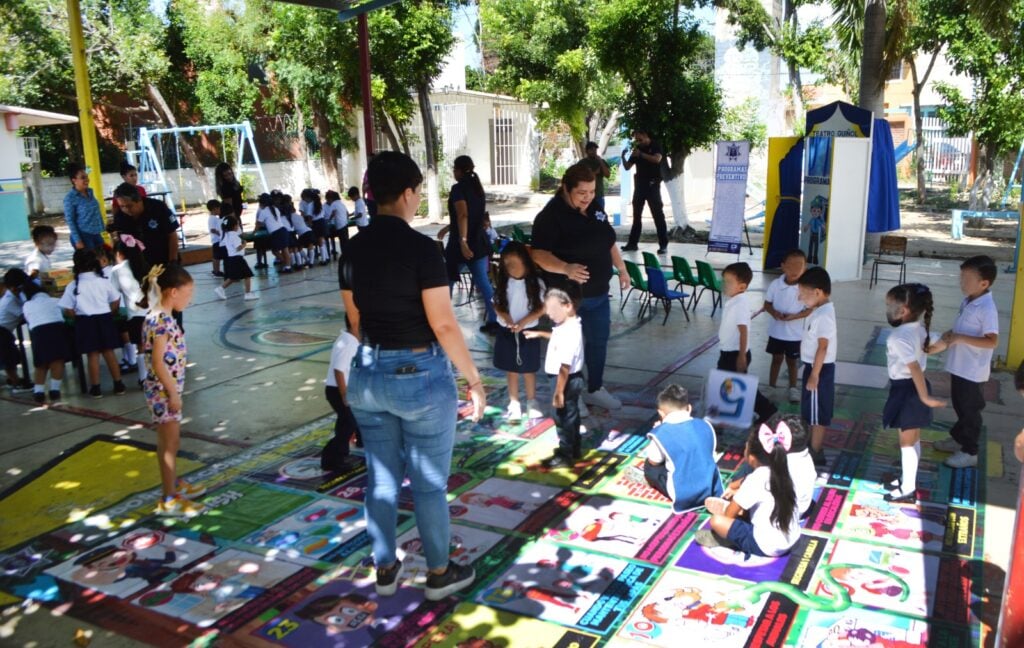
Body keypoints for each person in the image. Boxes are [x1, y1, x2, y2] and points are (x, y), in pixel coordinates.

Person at [339, 151, 485, 601]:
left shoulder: (353, 246)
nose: (418, 199)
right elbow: (443, 324)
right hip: (418, 375)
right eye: (418, 191)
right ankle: (439, 574)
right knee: (427, 484)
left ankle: (385, 569)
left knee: (381, 479)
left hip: (367, 371)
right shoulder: (422, 249)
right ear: (406, 193)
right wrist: (474, 380)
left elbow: (354, 319)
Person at [530, 163, 630, 412]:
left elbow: (608, 241)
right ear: (566, 188)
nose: (587, 197)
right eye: (581, 193)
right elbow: (537, 254)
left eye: (592, 191)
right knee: (570, 348)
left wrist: (622, 268)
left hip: (598, 294)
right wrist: (565, 268)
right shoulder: (550, 217)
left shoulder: (594, 208)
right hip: (566, 298)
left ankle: (595, 389)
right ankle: (571, 396)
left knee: (598, 343)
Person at [139, 264, 206, 517]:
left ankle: (173, 482)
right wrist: (173, 394)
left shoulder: (162, 317)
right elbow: (157, 362)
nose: (190, 299)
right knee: (170, 443)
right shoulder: (160, 321)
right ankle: (168, 498)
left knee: (169, 441)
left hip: (167, 389)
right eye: (188, 294)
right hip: (164, 392)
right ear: (172, 292)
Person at [928, 255, 999, 469]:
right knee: (961, 406)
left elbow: (992, 341)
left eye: (966, 279)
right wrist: (945, 340)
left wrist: (959, 338)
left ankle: (970, 451)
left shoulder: (987, 308)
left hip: (972, 370)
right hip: (959, 366)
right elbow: (959, 331)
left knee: (970, 411)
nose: (961, 283)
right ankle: (958, 440)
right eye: (961, 278)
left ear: (983, 283)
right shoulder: (968, 300)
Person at [880, 283, 946, 502]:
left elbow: (914, 368)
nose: (887, 308)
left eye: (890, 305)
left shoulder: (897, 337)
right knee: (913, 438)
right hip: (914, 388)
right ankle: (908, 479)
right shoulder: (919, 328)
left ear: (904, 310)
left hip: (908, 390)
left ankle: (908, 489)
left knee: (906, 442)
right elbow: (938, 344)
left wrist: (924, 397)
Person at [699, 420, 800, 557]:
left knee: (717, 521)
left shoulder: (756, 478)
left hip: (768, 546)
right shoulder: (784, 470)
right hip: (791, 539)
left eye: (745, 447)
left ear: (751, 458)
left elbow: (730, 515)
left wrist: (726, 512)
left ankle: (729, 541)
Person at [524, 287, 585, 468]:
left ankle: (565, 454)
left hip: (564, 380)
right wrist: (540, 333)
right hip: (569, 378)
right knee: (571, 414)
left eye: (553, 310)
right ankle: (574, 448)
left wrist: (558, 392)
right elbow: (557, 337)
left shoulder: (569, 331)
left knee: (561, 416)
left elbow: (565, 366)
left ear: (567, 306)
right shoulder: (568, 325)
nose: (549, 315)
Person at [643, 384, 724, 513]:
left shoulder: (660, 433)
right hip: (709, 487)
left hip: (683, 495)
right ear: (689, 408)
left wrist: (657, 431)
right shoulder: (705, 425)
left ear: (660, 412)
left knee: (649, 467)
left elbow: (654, 462)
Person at [58, 248, 126, 398]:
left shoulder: (73, 285)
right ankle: (118, 384)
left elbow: (67, 308)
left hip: (85, 321)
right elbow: (116, 300)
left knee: (92, 355)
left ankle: (96, 388)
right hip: (105, 318)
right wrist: (111, 311)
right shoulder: (103, 281)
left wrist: (76, 317)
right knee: (109, 352)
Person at [717, 262, 778, 425]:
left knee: (734, 386)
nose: (725, 285)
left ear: (742, 286)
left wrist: (742, 356)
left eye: (729, 282)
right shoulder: (734, 300)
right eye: (724, 281)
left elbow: (744, 330)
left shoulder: (740, 303)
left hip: (735, 354)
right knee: (732, 385)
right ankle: (727, 415)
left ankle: (766, 409)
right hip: (728, 352)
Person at [724, 413, 817, 518]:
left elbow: (729, 514)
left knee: (749, 465)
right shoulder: (805, 456)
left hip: (775, 515)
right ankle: (737, 495)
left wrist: (734, 488)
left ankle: (738, 504)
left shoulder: (765, 473)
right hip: (799, 511)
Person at [492, 241, 546, 420]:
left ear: (525, 263)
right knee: (511, 370)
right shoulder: (504, 283)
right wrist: (507, 319)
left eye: (514, 265)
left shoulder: (536, 283)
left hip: (528, 332)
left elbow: (542, 308)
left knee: (529, 369)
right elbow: (497, 305)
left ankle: (532, 401)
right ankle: (513, 402)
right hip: (506, 332)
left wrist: (524, 322)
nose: (510, 269)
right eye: (507, 265)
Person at [445, 155, 498, 333]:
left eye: (454, 169)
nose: (453, 172)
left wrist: (463, 241)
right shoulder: (477, 188)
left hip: (462, 243)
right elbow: (468, 216)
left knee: (448, 282)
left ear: (459, 170)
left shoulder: (458, 188)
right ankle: (494, 320)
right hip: (479, 242)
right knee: (484, 283)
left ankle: (443, 322)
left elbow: (463, 215)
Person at [797, 266, 837, 469]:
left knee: (817, 414)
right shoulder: (820, 310)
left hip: (818, 370)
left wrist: (814, 375)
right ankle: (813, 447)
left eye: (803, 294)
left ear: (818, 292)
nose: (799, 298)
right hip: (816, 369)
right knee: (813, 411)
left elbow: (823, 347)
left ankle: (814, 452)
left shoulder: (824, 316)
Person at [14, 274, 70, 404]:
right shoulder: (55, 301)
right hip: (56, 330)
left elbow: (28, 320)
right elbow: (65, 312)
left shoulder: (27, 305)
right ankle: (54, 390)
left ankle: (38, 391)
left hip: (39, 333)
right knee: (57, 361)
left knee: (41, 364)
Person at [764, 249, 810, 403]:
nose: (795, 270)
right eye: (791, 266)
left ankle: (793, 388)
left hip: (795, 334)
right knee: (776, 359)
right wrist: (774, 313)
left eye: (800, 266)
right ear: (782, 266)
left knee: (792, 361)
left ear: (805, 267)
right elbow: (767, 304)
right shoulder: (775, 285)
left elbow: (809, 310)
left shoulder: (805, 287)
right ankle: (771, 386)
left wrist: (794, 316)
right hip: (776, 332)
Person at [322, 318, 362, 472]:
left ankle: (353, 445)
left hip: (339, 388)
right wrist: (344, 394)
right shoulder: (349, 343)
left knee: (348, 421)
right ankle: (331, 459)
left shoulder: (348, 338)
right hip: (338, 389)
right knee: (348, 423)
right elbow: (339, 370)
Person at [621, 129, 668, 254]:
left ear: (645, 135)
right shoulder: (637, 149)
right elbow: (627, 167)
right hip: (640, 186)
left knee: (657, 215)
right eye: (636, 140)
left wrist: (641, 155)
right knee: (636, 216)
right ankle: (632, 244)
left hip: (652, 185)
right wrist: (623, 157)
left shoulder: (655, 145)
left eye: (639, 138)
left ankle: (663, 244)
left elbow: (657, 159)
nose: (638, 141)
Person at [111, 183, 179, 268]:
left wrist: (173, 262)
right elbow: (120, 244)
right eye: (122, 206)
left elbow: (172, 235)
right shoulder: (120, 217)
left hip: (164, 260)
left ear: (139, 200)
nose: (126, 209)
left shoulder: (158, 208)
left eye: (129, 206)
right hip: (138, 265)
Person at [111, 236, 151, 377]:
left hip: (135, 315)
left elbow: (114, 298)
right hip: (153, 312)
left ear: (119, 254)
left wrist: (112, 312)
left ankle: (142, 378)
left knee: (141, 348)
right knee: (155, 346)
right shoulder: (146, 265)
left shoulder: (117, 270)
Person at [214, 216, 258, 301]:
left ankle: (220, 288)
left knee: (233, 277)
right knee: (247, 275)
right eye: (238, 224)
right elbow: (238, 248)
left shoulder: (226, 234)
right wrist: (244, 244)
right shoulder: (234, 235)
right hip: (238, 258)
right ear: (234, 226)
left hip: (232, 258)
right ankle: (248, 294)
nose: (238, 226)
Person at [63, 163, 106, 250]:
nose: (87, 179)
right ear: (74, 180)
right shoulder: (70, 198)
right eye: (83, 177)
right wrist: (77, 240)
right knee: (91, 262)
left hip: (96, 234)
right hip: (83, 236)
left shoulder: (90, 193)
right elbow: (70, 220)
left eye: (86, 177)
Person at [0, 270, 31, 392]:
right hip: (2, 331)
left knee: (11, 355)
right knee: (9, 358)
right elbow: (25, 315)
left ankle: (13, 379)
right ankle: (16, 383)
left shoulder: (12, 295)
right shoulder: (9, 301)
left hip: (5, 330)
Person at [255, 193, 291, 273]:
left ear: (262, 203)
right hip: (282, 230)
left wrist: (254, 232)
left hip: (276, 233)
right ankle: (288, 266)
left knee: (275, 251)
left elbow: (258, 224)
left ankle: (286, 264)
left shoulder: (263, 211)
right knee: (285, 250)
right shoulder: (274, 208)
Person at [579, 142, 611, 212]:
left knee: (599, 218)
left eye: (595, 150)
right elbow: (579, 177)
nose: (594, 152)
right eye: (591, 150)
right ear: (586, 151)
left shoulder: (601, 161)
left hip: (598, 194)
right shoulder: (582, 163)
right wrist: (595, 172)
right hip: (585, 195)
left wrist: (600, 161)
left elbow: (607, 175)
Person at [324, 190, 349, 258]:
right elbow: (347, 213)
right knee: (346, 240)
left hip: (340, 225)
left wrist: (329, 219)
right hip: (345, 224)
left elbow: (333, 213)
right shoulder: (341, 203)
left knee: (342, 241)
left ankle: (344, 255)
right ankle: (347, 254)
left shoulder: (334, 204)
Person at [803, 196, 827, 265]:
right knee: (810, 247)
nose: (816, 213)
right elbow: (809, 224)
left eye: (818, 211)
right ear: (811, 211)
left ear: (820, 213)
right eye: (814, 211)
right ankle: (809, 258)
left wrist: (824, 229)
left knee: (816, 248)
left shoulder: (819, 220)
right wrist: (806, 228)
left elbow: (822, 226)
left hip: (817, 235)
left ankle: (815, 259)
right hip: (812, 234)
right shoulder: (812, 219)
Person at [207, 199, 225, 278]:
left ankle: (216, 270)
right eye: (219, 208)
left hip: (216, 240)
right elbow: (212, 229)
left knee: (216, 257)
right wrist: (220, 234)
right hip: (216, 240)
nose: (220, 210)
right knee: (216, 257)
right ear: (214, 209)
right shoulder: (213, 218)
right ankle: (216, 271)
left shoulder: (214, 218)